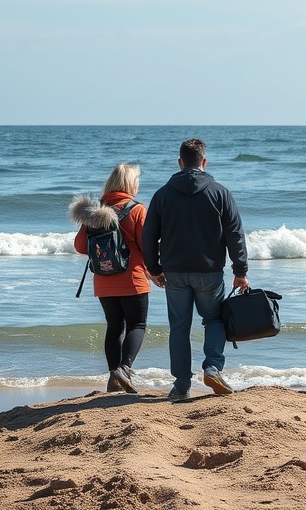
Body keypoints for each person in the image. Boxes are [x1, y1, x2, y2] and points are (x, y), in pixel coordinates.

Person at [143, 138, 249, 400]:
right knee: (213, 319)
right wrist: (240, 271)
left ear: (180, 163)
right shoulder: (220, 192)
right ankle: (212, 367)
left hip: (175, 272)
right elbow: (235, 234)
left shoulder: (162, 194)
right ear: (204, 162)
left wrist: (154, 268)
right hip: (210, 271)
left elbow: (148, 235)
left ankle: (180, 384)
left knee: (179, 326)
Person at [70, 163, 150, 394]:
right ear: (130, 184)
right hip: (133, 279)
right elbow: (147, 246)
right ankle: (124, 370)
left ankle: (114, 377)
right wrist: (157, 271)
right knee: (137, 324)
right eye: (137, 180)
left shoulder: (93, 213)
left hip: (103, 281)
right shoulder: (136, 209)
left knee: (114, 327)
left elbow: (79, 246)